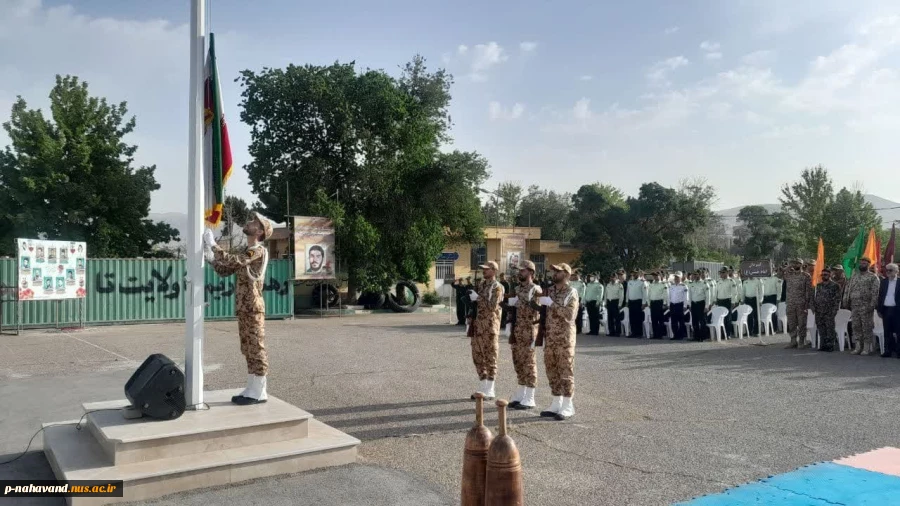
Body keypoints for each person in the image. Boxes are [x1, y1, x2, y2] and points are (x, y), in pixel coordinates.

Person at [204, 212, 274, 405]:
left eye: (253, 222)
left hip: (253, 307)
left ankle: (260, 391)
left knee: (257, 347)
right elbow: (226, 270)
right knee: (247, 348)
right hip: (244, 308)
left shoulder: (257, 251)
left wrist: (214, 246)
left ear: (259, 231)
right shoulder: (247, 251)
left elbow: (236, 261)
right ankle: (251, 388)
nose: (249, 222)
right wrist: (211, 259)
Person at [538, 263, 579, 421]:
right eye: (553, 271)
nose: (554, 273)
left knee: (565, 371)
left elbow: (570, 315)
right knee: (551, 369)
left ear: (566, 274)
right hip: (551, 338)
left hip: (564, 339)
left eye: (558, 271)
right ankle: (556, 402)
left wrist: (552, 304)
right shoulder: (551, 291)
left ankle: (568, 405)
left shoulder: (571, 292)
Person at [507, 260, 543, 410]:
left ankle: (530, 397)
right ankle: (521, 392)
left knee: (529, 362)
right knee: (518, 361)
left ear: (531, 273)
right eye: (519, 271)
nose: (519, 273)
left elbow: (541, 310)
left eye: (523, 271)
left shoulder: (536, 289)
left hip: (529, 329)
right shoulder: (517, 288)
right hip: (517, 329)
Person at [467, 261, 505, 399]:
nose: (484, 271)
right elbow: (477, 305)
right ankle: (483, 385)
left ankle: (490, 388)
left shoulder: (497, 287)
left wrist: (478, 298)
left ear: (494, 271)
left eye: (487, 269)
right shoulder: (482, 285)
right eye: (483, 269)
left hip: (490, 326)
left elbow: (493, 306)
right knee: (477, 356)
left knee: (490, 356)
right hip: (478, 326)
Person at [844, 256, 880, 355]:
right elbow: (848, 289)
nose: (862, 264)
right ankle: (858, 346)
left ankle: (867, 348)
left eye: (864, 263)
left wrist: (872, 305)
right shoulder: (854, 276)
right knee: (856, 326)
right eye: (861, 263)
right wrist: (846, 301)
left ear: (868, 265)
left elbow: (875, 292)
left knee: (866, 327)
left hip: (866, 306)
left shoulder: (873, 277)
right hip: (854, 306)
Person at [784, 259, 811, 348]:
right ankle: (793, 340)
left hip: (801, 303)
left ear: (801, 264)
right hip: (790, 303)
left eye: (797, 263)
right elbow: (779, 275)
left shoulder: (805, 276)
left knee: (802, 323)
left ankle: (802, 341)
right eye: (793, 263)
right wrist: (788, 267)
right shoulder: (789, 275)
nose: (795, 265)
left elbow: (808, 291)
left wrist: (807, 303)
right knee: (791, 323)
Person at [813, 268, 842, 352]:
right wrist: (814, 307)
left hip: (829, 310)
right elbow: (815, 297)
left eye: (825, 274)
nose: (823, 276)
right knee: (821, 328)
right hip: (819, 311)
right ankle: (823, 345)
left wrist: (834, 310)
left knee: (829, 328)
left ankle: (830, 346)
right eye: (822, 275)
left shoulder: (835, 286)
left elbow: (837, 299)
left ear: (830, 275)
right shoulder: (818, 286)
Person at [877, 263, 900, 358]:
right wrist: (879, 309)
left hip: (897, 310)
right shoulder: (884, 282)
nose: (888, 272)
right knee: (887, 331)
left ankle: (899, 351)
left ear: (896, 271)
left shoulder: (899, 282)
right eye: (887, 270)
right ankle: (888, 351)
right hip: (886, 309)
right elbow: (880, 296)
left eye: (890, 270)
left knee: (899, 331)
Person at [644, 271, 668, 339]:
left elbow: (665, 295)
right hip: (653, 303)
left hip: (659, 303)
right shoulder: (651, 284)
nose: (655, 277)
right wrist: (648, 303)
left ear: (660, 276)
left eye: (656, 276)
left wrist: (664, 303)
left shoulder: (663, 284)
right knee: (654, 319)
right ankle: (655, 334)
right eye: (654, 276)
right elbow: (649, 294)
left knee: (660, 319)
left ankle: (660, 335)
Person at [714, 267, 736, 337]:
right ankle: (722, 334)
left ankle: (727, 333)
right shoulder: (718, 281)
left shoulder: (731, 281)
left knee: (727, 318)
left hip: (727, 301)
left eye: (723, 272)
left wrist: (733, 302)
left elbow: (734, 293)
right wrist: (715, 300)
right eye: (720, 272)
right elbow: (715, 292)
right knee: (720, 318)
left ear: (727, 273)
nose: (721, 274)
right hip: (720, 301)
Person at [688, 271, 710, 341]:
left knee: (702, 321)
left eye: (696, 274)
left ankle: (703, 336)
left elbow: (708, 296)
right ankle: (696, 336)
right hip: (694, 304)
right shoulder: (691, 284)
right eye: (693, 274)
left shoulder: (704, 283)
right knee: (695, 321)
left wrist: (706, 306)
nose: (694, 276)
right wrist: (690, 305)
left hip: (701, 304)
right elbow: (690, 295)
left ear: (699, 275)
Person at [626, 270, 647, 337]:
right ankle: (633, 332)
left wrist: (643, 303)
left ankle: (639, 333)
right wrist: (627, 301)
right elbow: (627, 292)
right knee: (632, 318)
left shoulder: (641, 282)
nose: (634, 274)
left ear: (638, 274)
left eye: (636, 273)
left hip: (638, 302)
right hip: (631, 302)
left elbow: (645, 293)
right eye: (633, 273)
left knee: (638, 318)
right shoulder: (629, 282)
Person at [668, 272, 688, 340]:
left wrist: (685, 305)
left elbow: (686, 297)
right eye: (675, 277)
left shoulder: (684, 286)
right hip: (672, 305)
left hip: (680, 305)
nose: (676, 278)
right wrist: (668, 304)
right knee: (673, 321)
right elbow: (669, 296)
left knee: (681, 321)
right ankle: (675, 335)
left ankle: (681, 335)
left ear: (681, 278)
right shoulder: (672, 286)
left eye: (677, 277)